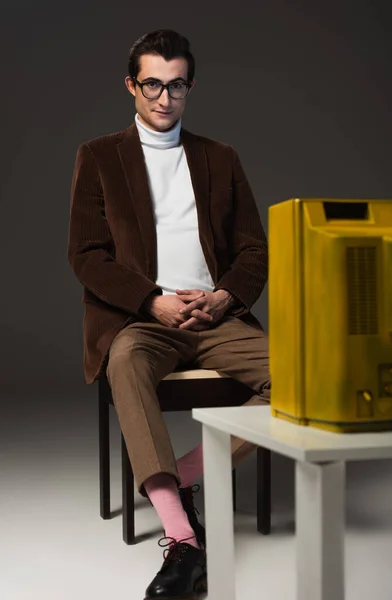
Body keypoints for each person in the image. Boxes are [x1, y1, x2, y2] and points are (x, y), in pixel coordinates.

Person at [68, 28, 270, 600]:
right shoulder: (99, 156)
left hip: (217, 320)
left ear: (189, 88)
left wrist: (225, 298)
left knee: (304, 375)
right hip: (142, 321)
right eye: (152, 83)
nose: (164, 97)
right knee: (125, 363)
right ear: (131, 86)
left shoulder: (220, 157)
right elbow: (85, 255)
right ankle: (183, 543)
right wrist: (150, 298)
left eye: (176, 85)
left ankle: (178, 478)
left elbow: (255, 250)